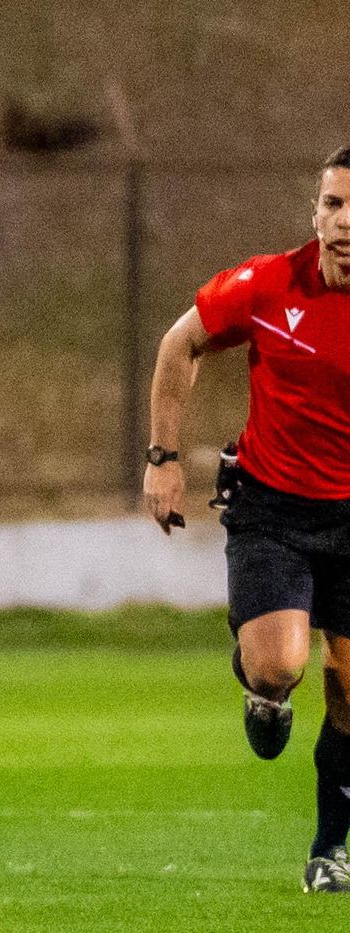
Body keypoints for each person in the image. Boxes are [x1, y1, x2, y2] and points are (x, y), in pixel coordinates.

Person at [143, 145, 350, 893]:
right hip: (273, 506)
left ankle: (330, 849)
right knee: (280, 665)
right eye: (333, 205)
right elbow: (180, 342)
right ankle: (260, 685)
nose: (344, 222)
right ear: (315, 213)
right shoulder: (268, 284)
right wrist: (164, 456)